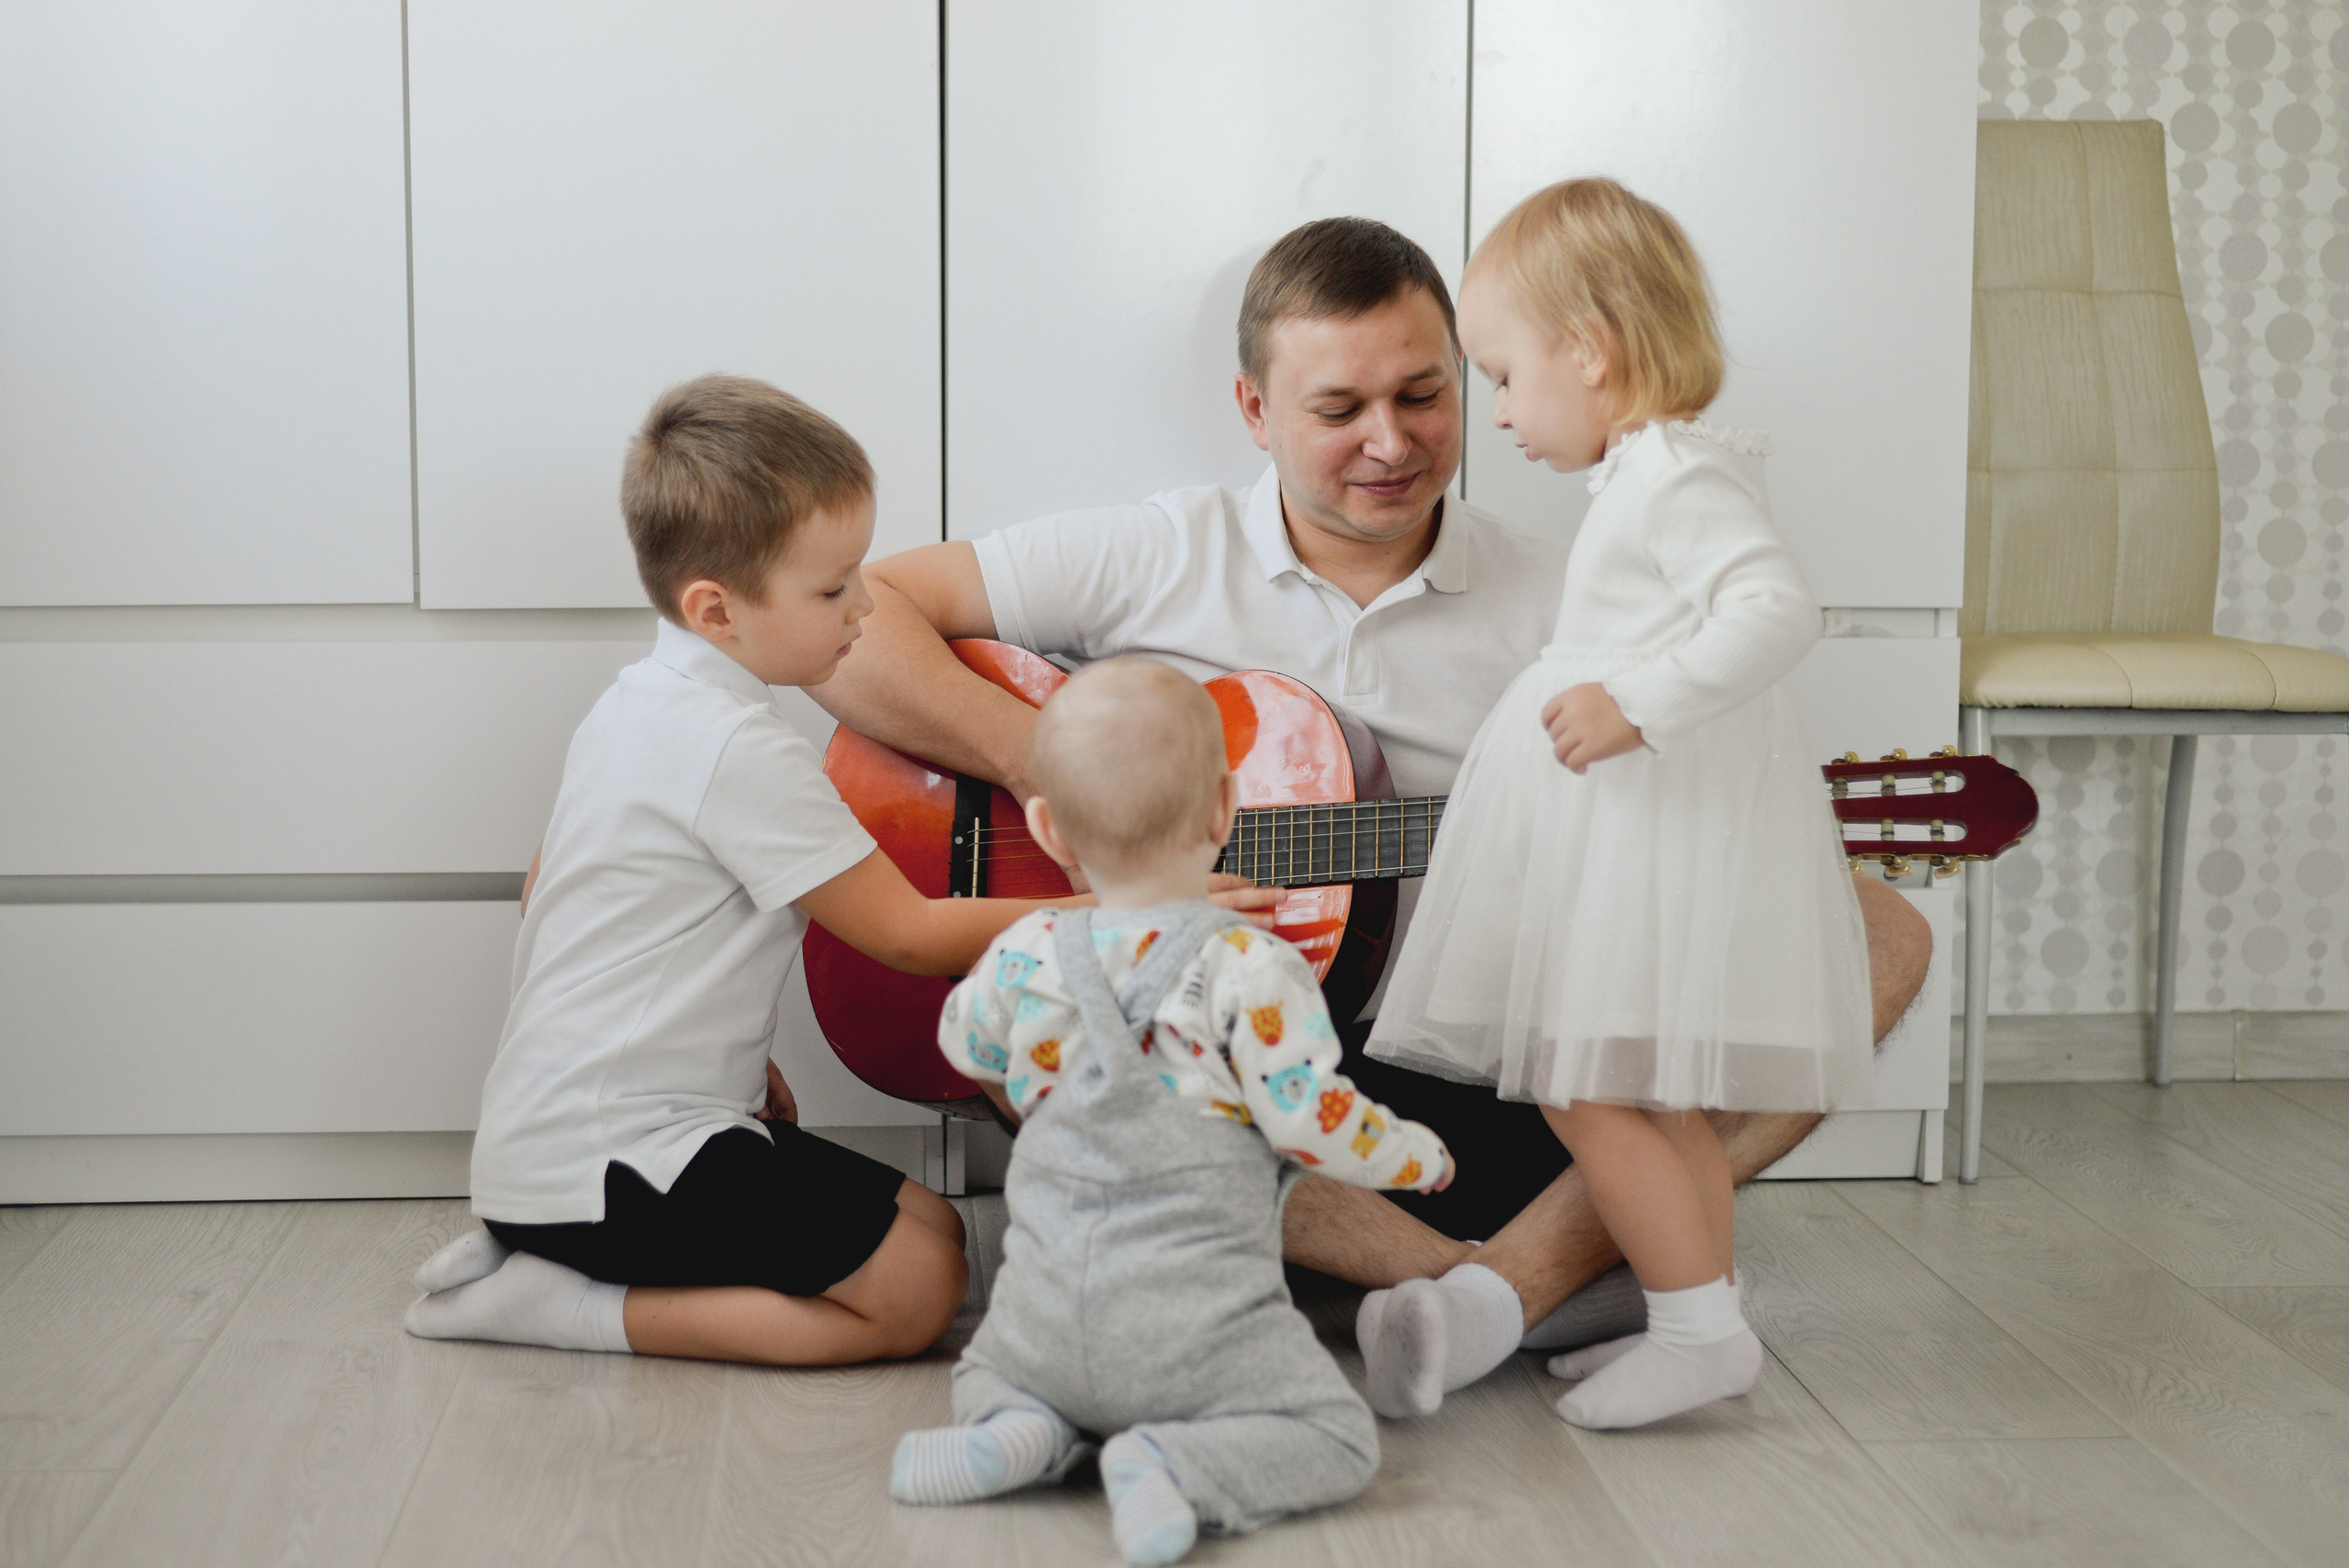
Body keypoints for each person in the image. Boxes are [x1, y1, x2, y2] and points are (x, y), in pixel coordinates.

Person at [812, 217, 1933, 1415]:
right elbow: (848, 617)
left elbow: (1678, 777)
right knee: (1073, 995)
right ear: (1253, 411)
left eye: (1426, 393)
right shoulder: (1148, 553)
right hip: (1219, 1042)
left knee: (1876, 931)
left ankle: (1493, 1295)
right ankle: (1508, 1285)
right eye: (1339, 408)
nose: (1389, 444)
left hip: (1464, 1040)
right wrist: (1086, 784)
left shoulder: (1571, 588)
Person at [403, 375, 1048, 1365]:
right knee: (916, 1294)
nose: (867, 605)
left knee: (936, 1229)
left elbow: (553, 894)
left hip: (578, 1133)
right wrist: (1125, 906)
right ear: (717, 609)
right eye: (833, 588)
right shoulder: (734, 745)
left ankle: (549, 1247)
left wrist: (719, 1051)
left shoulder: (636, 700)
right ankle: (550, 1303)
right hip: (606, 1155)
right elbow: (909, 933)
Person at [1365, 179, 1873, 1429]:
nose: (1496, 411)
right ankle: (1700, 1318)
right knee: (1640, 1093)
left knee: (1594, 1089)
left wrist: (1635, 700)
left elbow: (1777, 611)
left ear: (1587, 353)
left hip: (1640, 841)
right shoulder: (1648, 477)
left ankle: (1698, 1328)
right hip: (1622, 839)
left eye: (1501, 373)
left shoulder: (1673, 479)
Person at [890, 660, 1450, 1565]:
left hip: (1037, 1325)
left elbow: (968, 1048)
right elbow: (1312, 1119)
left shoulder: (1027, 948)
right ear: (1227, 809)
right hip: (1200, 1337)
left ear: (1044, 826)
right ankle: (1173, 1460)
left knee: (990, 1369)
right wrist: (1414, 1155)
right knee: (1337, 1434)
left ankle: (1019, 1429)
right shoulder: (1252, 964)